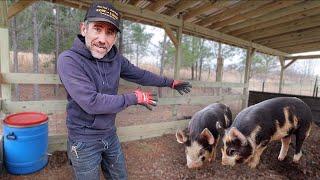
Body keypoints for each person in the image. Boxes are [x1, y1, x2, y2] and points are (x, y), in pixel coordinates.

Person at [57, 1, 192, 180]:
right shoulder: (69, 60)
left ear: (115, 37)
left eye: (110, 32)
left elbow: (140, 75)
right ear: (84, 29)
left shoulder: (115, 59)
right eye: (97, 29)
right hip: (83, 140)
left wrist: (170, 82)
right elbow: (92, 103)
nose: (103, 39)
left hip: (109, 135)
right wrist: (133, 97)